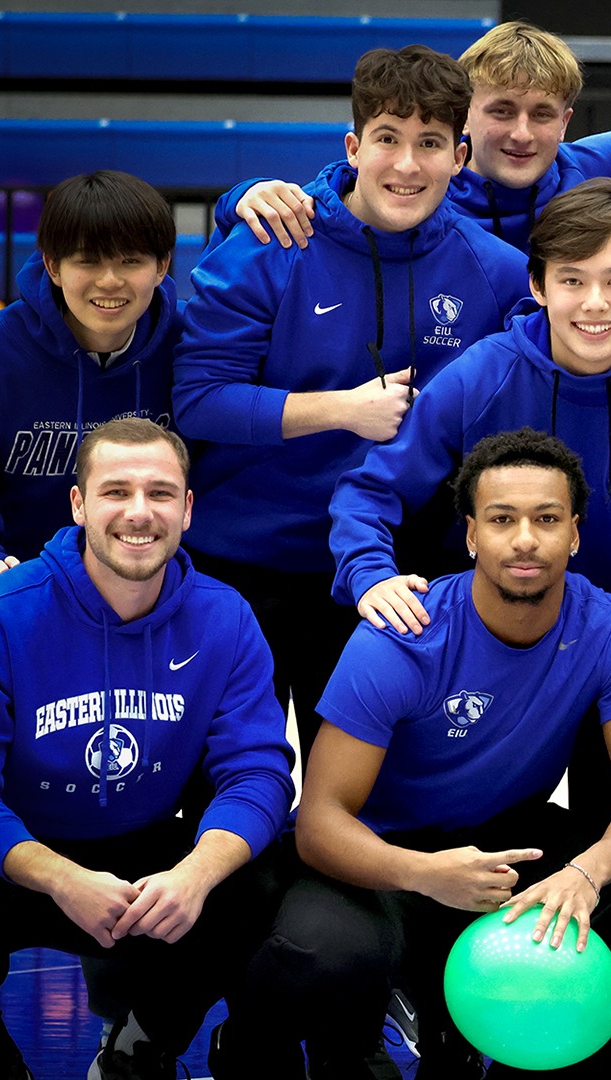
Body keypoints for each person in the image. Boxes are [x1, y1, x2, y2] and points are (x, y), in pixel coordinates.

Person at [238, 429, 611, 1076]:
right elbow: (318, 825)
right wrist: (423, 874)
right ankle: (302, 1042)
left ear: (576, 534)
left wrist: (586, 873)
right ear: (472, 534)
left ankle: (588, 1061)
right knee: (322, 953)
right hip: (385, 853)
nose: (526, 539)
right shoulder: (405, 635)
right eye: (503, 520)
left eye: (547, 519)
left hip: (505, 845)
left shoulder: (610, 627)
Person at [174, 44, 530, 761]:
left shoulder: (494, 269)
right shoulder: (273, 241)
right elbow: (198, 401)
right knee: (229, 783)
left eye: (430, 144)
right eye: (387, 140)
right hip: (248, 566)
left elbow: (582, 323)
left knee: (372, 802)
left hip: (391, 574)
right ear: (353, 146)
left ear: (460, 155)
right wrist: (339, 409)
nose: (406, 165)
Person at [224, 13, 611, 390]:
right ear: (462, 122)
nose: (522, 133)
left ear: (566, 122)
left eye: (542, 115)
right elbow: (345, 194)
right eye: (501, 112)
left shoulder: (586, 168)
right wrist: (241, 197)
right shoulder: (423, 189)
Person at [0, 418, 294, 1079]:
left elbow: (258, 773)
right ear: (79, 504)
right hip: (20, 859)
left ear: (188, 509)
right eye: (116, 491)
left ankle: (143, 1042)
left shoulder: (225, 616)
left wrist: (195, 875)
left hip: (146, 849)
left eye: (161, 493)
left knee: (260, 876)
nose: (139, 514)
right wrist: (62, 878)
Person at [329, 177, 611, 711]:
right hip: (482, 649)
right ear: (538, 285)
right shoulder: (483, 375)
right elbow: (370, 491)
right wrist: (371, 575)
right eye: (571, 280)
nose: (594, 304)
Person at [0, 172, 179, 587]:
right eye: (88, 260)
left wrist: (243, 194)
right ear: (53, 266)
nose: (110, 280)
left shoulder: (193, 347)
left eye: (130, 260)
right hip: (20, 588)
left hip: (154, 586)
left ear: (161, 266)